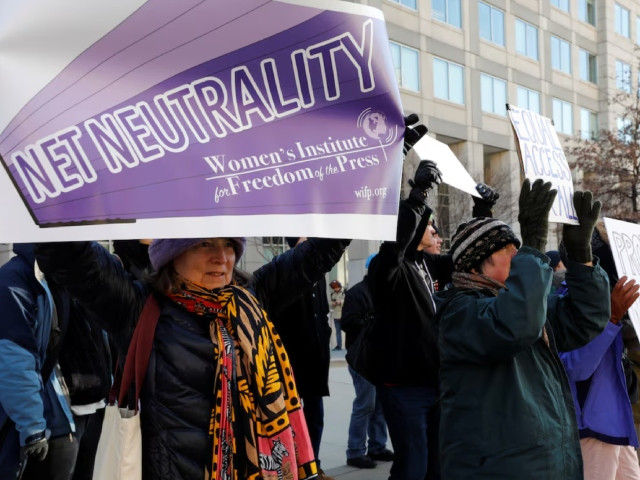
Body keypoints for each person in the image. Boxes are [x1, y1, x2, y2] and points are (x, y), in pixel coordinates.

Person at [35, 236, 350, 479]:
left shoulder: (251, 297)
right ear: (172, 254)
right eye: (203, 244)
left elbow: (321, 249)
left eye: (229, 244)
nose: (221, 257)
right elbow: (66, 255)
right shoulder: (136, 306)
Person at [436, 179, 611, 479]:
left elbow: (586, 319)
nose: (517, 255)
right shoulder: (458, 311)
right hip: (499, 468)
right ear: (477, 263)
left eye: (518, 248)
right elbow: (514, 325)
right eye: (507, 249)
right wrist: (533, 244)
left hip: (546, 463)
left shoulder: (522, 304)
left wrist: (582, 257)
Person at [366, 159, 443, 479]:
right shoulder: (390, 269)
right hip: (404, 388)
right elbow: (397, 241)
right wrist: (417, 198)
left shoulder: (425, 265)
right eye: (429, 225)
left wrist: (481, 209)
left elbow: (473, 259)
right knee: (413, 465)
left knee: (435, 466)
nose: (435, 230)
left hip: (434, 383)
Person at [558, 225, 640, 480]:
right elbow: (574, 368)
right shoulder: (565, 300)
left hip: (617, 425)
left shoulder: (609, 301)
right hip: (590, 428)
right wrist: (612, 319)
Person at [0, 244, 77, 480]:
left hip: (58, 413)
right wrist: (32, 428)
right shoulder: (14, 281)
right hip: (24, 421)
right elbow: (15, 359)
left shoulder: (58, 275)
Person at [269, 236, 334, 480]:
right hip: (292, 360)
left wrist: (325, 336)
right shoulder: (285, 271)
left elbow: (323, 311)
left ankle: (312, 466)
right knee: (289, 418)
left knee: (315, 416)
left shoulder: (318, 272)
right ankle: (292, 468)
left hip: (316, 358)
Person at [341, 253, 393, 470]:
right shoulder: (357, 292)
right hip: (362, 359)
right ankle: (355, 451)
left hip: (381, 358)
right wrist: (372, 321)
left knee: (380, 404)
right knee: (365, 404)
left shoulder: (387, 291)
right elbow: (347, 322)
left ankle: (377, 446)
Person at [329, 280, 345, 351]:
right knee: (338, 332)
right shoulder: (332, 294)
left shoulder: (343, 293)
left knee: (347, 330)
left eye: (336, 287)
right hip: (336, 316)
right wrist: (333, 304)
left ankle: (349, 345)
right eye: (334, 287)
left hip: (343, 315)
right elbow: (330, 304)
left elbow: (346, 301)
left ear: (339, 287)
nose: (335, 289)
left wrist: (340, 302)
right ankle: (339, 346)